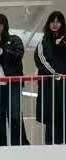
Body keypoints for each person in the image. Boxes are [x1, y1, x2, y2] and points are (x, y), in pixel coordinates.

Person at [0, 13, 29, 146]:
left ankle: (19, 146)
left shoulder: (14, 39)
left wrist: (2, 52)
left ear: (5, 25)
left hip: (13, 83)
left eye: (0, 23)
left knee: (15, 115)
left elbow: (18, 55)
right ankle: (0, 147)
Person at [35, 11, 66, 145]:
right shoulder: (43, 42)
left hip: (63, 87)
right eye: (52, 21)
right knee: (51, 119)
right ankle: (50, 147)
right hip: (49, 87)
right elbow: (41, 61)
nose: (55, 24)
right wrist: (56, 74)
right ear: (48, 24)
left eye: (58, 21)